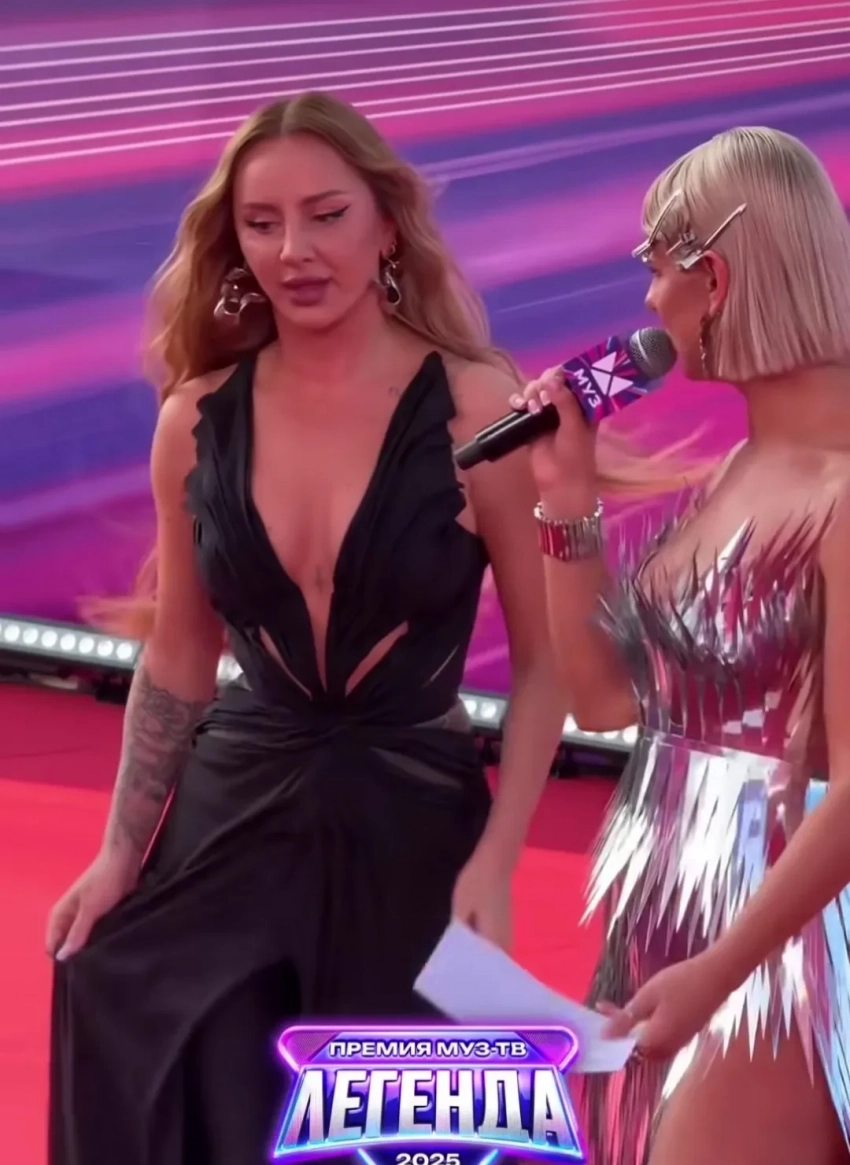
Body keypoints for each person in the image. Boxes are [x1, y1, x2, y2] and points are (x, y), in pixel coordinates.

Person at [46, 92, 567, 1165]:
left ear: (387, 225)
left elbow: (544, 666)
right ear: (234, 242)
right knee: (153, 1041)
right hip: (233, 816)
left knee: (390, 1136)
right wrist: (117, 852)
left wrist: (497, 860)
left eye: (326, 215)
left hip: (414, 832)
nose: (295, 250)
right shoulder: (195, 419)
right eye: (263, 223)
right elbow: (181, 654)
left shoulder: (478, 407)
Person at [517, 126, 850, 1165]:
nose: (651, 302)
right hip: (661, 902)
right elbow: (606, 702)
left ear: (717, 278)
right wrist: (566, 499)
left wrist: (723, 969)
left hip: (778, 945)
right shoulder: (741, 469)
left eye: (660, 268)